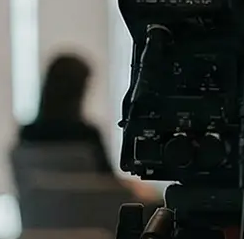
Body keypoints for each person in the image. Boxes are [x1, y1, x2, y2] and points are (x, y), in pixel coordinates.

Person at [18, 53, 162, 204]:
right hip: (93, 216)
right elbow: (107, 183)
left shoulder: (27, 135)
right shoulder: (86, 135)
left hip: (43, 217)